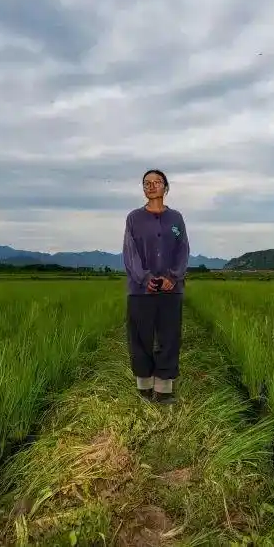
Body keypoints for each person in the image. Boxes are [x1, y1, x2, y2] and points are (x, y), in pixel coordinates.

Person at [122, 168, 189, 405]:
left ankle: (163, 390)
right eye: (146, 183)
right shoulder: (133, 218)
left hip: (172, 290)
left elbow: (183, 250)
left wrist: (173, 276)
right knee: (140, 337)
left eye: (156, 182)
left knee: (169, 336)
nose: (151, 186)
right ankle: (144, 389)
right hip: (140, 291)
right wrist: (144, 277)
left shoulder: (176, 219)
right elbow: (130, 252)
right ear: (143, 188)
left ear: (166, 187)